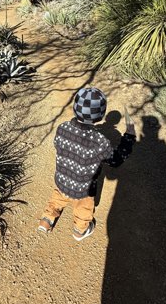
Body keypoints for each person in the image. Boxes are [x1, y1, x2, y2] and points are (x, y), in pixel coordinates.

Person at [38, 87, 136, 241]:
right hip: (83, 188)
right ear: (100, 115)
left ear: (75, 108)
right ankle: (80, 230)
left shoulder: (62, 128)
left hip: (62, 179)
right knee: (83, 208)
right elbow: (116, 160)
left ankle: (46, 220)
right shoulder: (100, 142)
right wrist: (129, 138)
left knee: (57, 198)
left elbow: (57, 145)